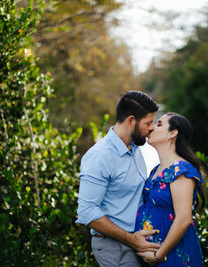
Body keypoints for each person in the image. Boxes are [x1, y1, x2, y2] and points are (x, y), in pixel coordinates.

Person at [75, 90, 161, 267]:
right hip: (116, 248)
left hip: (136, 243)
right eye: (148, 123)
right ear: (131, 120)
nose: (151, 128)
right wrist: (132, 240)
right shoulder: (100, 156)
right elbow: (87, 211)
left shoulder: (136, 149)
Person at [136, 112, 205, 266]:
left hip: (172, 255)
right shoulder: (155, 170)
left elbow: (184, 218)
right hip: (153, 254)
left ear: (172, 133)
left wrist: (158, 255)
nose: (152, 127)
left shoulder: (181, 170)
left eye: (159, 124)